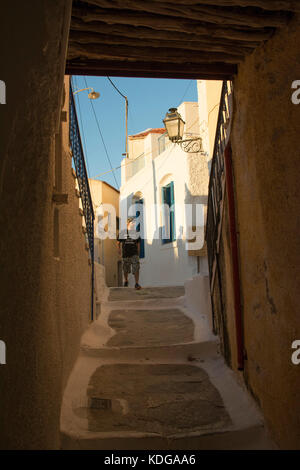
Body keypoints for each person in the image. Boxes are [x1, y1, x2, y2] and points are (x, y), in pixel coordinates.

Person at [117, 217, 142, 290]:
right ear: (128, 223)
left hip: (134, 253)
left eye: (134, 222)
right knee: (125, 269)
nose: (134, 224)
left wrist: (138, 253)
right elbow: (118, 242)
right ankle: (126, 280)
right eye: (132, 222)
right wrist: (119, 250)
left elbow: (138, 243)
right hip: (125, 254)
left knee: (136, 267)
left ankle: (136, 283)